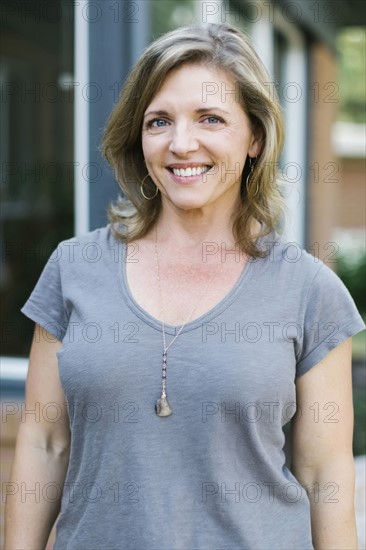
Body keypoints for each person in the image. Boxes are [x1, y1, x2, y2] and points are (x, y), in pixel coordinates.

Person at [5, 22, 365, 550]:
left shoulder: (310, 291)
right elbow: (45, 442)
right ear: (138, 136)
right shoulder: (73, 268)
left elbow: (324, 479)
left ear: (255, 138)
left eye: (211, 118)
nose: (181, 143)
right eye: (159, 121)